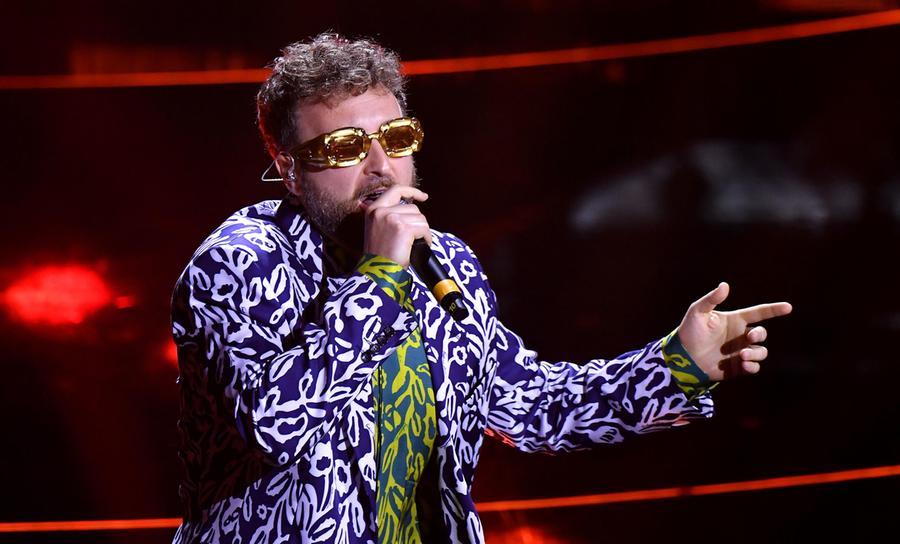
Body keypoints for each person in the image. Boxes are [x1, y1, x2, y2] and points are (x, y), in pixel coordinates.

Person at [170, 33, 792, 544]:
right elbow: (276, 423)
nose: (381, 167)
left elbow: (533, 408)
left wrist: (677, 367)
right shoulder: (239, 263)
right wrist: (380, 279)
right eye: (344, 148)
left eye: (396, 139)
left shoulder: (446, 263)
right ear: (287, 166)